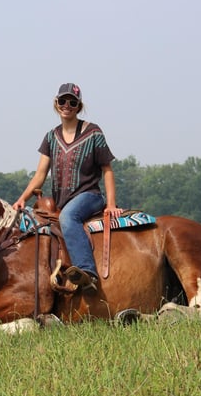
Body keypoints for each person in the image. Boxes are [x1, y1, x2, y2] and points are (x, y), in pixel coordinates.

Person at [12, 83, 123, 290]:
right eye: (63, 101)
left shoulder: (93, 133)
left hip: (89, 196)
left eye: (72, 102)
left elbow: (107, 170)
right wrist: (21, 200)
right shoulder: (51, 137)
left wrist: (111, 204)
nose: (67, 105)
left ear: (78, 106)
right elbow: (40, 175)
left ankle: (87, 272)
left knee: (68, 217)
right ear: (56, 104)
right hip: (60, 201)